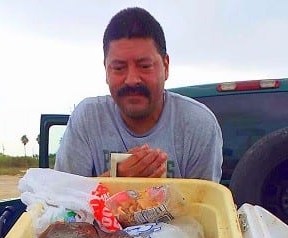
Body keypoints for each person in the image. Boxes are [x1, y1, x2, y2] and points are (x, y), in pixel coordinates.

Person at [54, 7, 223, 181]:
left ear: (165, 66)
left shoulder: (198, 125)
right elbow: (60, 200)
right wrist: (116, 178)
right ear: (106, 70)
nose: (132, 79)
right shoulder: (88, 118)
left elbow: (203, 203)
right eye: (119, 68)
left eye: (144, 66)